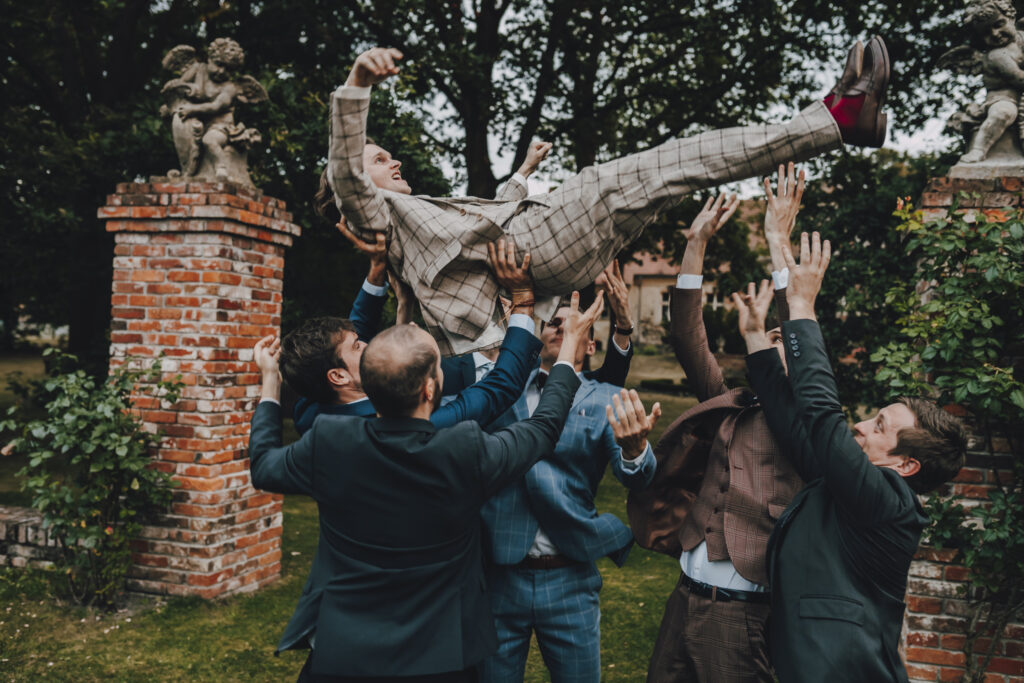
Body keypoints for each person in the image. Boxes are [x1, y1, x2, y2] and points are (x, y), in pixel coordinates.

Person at [326, 37, 890, 355]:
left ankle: (837, 122)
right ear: (353, 184)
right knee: (662, 164)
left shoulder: (409, 225)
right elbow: (347, 173)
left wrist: (522, 171)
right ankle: (836, 120)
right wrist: (357, 83)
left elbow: (487, 221)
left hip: (547, 255)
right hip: (540, 243)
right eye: (379, 159)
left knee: (672, 174)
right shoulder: (376, 215)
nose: (392, 160)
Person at [250, 292, 655, 681]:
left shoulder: (327, 440)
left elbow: (264, 467)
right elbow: (544, 428)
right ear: (429, 389)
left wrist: (270, 382)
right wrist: (567, 354)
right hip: (439, 654)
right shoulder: (461, 449)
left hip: (344, 652)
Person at [733, 232, 968, 683]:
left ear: (906, 465)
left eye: (879, 427)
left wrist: (803, 308)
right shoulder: (853, 490)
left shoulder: (888, 503)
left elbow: (821, 413)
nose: (859, 425)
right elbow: (795, 424)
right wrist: (754, 339)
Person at [627, 170, 807, 683]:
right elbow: (688, 337)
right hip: (684, 596)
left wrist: (780, 242)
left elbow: (801, 324)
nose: (770, 339)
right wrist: (694, 246)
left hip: (742, 614)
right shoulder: (728, 402)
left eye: (782, 339)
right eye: (768, 334)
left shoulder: (809, 427)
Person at [477, 302, 661, 682]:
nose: (561, 328)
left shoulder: (606, 397)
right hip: (498, 576)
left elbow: (639, 479)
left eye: (574, 324)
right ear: (540, 336)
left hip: (570, 578)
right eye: (555, 322)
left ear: (591, 346)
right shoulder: (501, 389)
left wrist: (634, 450)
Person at [285, 239, 541, 436]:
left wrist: (376, 273)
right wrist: (523, 302)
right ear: (338, 376)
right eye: (358, 345)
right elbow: (499, 388)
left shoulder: (310, 414)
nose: (367, 343)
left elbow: (353, 334)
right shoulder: (410, 423)